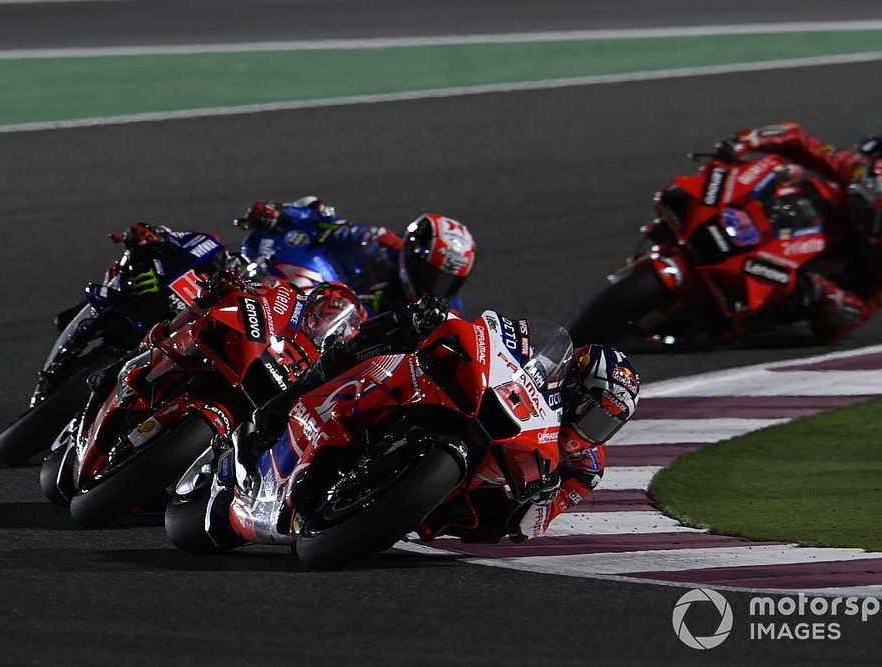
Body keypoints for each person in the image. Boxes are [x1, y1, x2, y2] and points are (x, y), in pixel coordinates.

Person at [723, 121, 882, 340]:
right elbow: (800, 140)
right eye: (867, 210)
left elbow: (863, 311)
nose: (875, 224)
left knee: (828, 323)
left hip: (870, 254)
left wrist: (832, 296)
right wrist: (750, 140)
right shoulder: (854, 170)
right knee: (791, 176)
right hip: (846, 213)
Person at [232, 292, 451, 492]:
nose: (329, 323)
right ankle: (260, 428)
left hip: (379, 396)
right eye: (324, 315)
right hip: (324, 372)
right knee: (338, 359)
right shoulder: (296, 313)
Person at [445, 343, 639, 544]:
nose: (592, 430)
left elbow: (531, 527)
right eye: (592, 415)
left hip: (494, 473)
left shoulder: (588, 468)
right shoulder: (541, 364)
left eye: (605, 425)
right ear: (573, 387)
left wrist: (543, 498)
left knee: (495, 526)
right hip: (487, 413)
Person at [239, 196, 476, 316]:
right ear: (413, 257)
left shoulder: (445, 312)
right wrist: (283, 213)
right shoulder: (379, 243)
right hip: (325, 306)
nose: (437, 289)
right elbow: (331, 224)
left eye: (448, 282)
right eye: (432, 275)